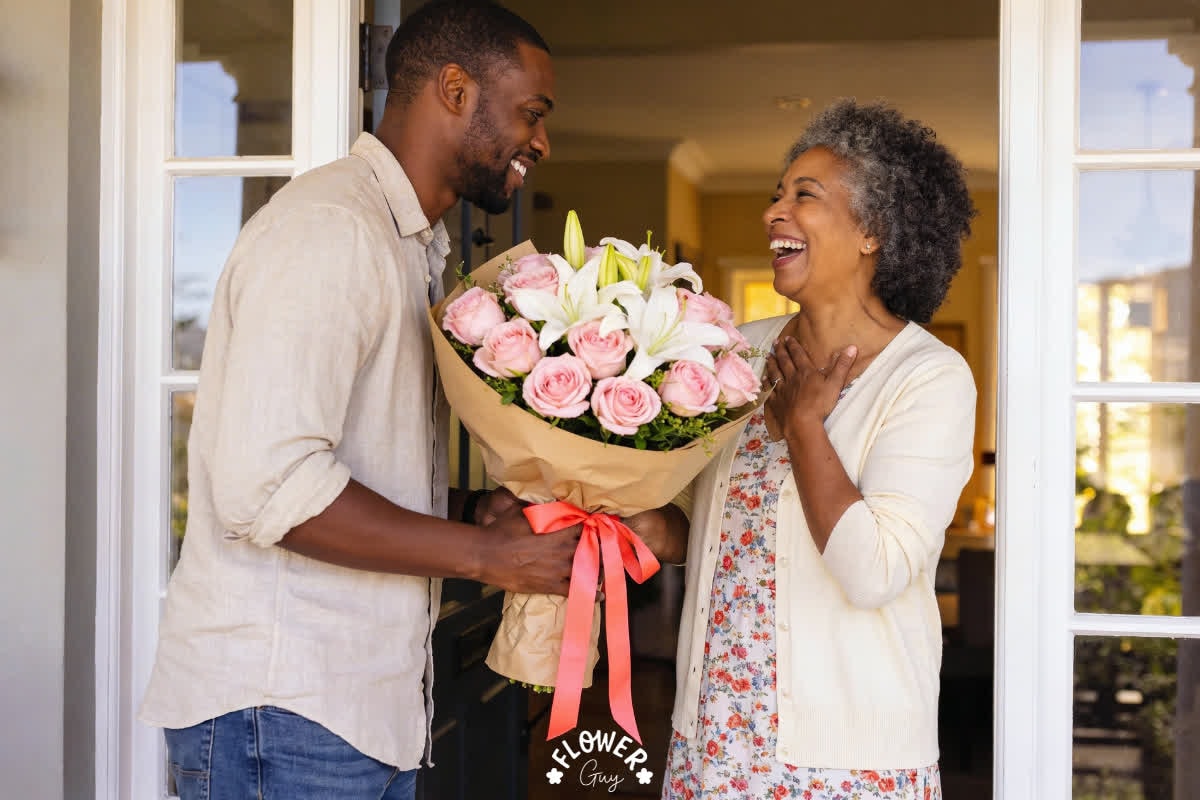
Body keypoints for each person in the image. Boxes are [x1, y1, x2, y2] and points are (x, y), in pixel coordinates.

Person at [137, 3, 604, 798]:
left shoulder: (410, 242)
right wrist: (485, 556)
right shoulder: (330, 231)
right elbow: (270, 487)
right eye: (531, 114)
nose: (542, 143)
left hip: (352, 710)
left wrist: (466, 516)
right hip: (282, 712)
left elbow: (354, 468)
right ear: (455, 90)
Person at [664, 98, 978, 800]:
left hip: (844, 761)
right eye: (777, 194)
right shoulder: (740, 348)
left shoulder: (927, 377)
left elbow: (874, 571)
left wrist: (805, 427)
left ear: (871, 231)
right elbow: (706, 524)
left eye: (804, 196)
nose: (775, 212)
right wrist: (600, 509)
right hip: (713, 737)